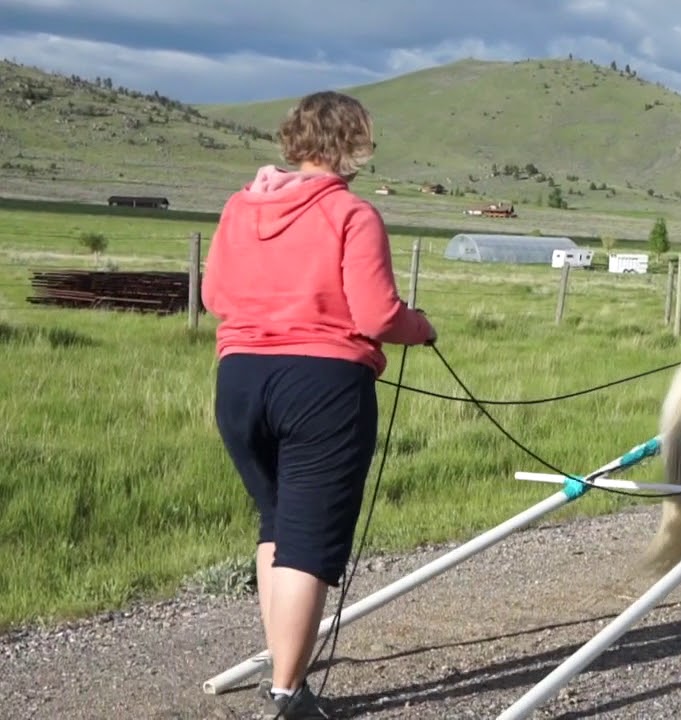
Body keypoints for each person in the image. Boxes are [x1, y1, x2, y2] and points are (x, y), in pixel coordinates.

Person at [201, 90, 435, 719]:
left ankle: (281, 670)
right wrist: (421, 327)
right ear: (352, 145)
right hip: (323, 388)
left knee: (276, 524)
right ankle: (288, 693)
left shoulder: (239, 206)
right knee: (309, 542)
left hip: (239, 382)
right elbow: (378, 314)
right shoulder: (351, 214)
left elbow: (215, 293)